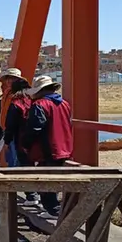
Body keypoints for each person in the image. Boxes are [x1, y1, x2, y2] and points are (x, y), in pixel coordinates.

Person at [23, 75, 73, 218]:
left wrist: (26, 144)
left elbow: (35, 128)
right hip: (65, 146)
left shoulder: (40, 105)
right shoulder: (64, 103)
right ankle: (56, 209)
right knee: (55, 179)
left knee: (46, 180)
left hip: (48, 148)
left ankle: (53, 211)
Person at [2, 77, 36, 203]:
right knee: (31, 165)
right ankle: (35, 194)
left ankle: (29, 195)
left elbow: (10, 125)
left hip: (19, 139)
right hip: (34, 139)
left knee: (17, 166)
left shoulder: (15, 104)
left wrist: (6, 141)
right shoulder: (33, 101)